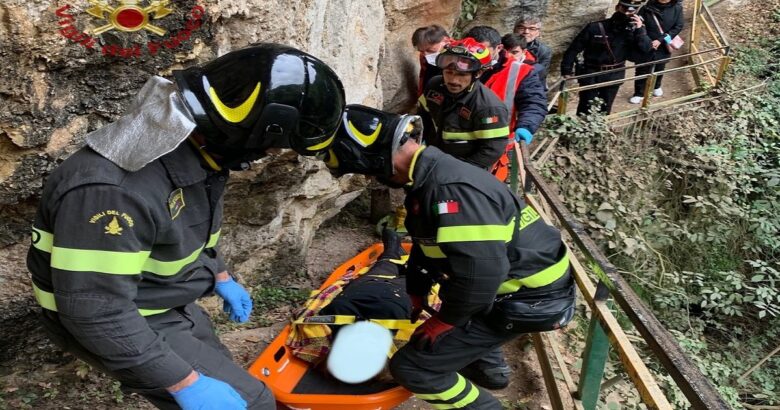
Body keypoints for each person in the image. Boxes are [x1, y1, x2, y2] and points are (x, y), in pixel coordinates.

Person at [26, 43, 346, 410]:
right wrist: (184, 383)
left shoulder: (193, 155)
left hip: (161, 298)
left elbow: (189, 234)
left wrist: (219, 275)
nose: (271, 156)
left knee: (220, 363)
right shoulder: (114, 193)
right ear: (254, 132)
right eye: (275, 147)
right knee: (253, 401)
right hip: (121, 318)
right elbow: (97, 311)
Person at [321, 105, 574, 409]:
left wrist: (446, 320)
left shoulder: (449, 191)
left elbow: (480, 277)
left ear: (372, 160)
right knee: (460, 316)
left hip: (530, 299)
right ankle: (488, 369)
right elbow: (428, 246)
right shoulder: (430, 177)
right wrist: (416, 290)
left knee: (413, 367)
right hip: (518, 288)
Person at [465, 26, 547, 180]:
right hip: (461, 141)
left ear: (498, 48)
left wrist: (526, 126)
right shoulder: (461, 65)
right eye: (473, 50)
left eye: (482, 50)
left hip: (496, 142)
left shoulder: (521, 72)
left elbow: (534, 102)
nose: (476, 55)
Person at [417, 37, 510, 170]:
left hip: (466, 167)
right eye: (449, 72)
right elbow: (423, 117)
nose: (453, 80)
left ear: (478, 73)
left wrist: (461, 172)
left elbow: (492, 149)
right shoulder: (434, 86)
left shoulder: (489, 107)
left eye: (462, 75)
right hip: (435, 157)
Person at [560, 0, 652, 116]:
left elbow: (646, 49)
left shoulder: (635, 30)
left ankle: (600, 132)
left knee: (605, 108)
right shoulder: (596, 27)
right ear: (617, 7)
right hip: (591, 73)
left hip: (614, 74)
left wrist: (640, 29)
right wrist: (566, 70)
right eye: (625, 9)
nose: (628, 13)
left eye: (633, 10)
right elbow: (574, 49)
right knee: (585, 108)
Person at [629, 0, 684, 104]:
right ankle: (639, 93)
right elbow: (639, 24)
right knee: (642, 68)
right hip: (646, 42)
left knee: (660, 66)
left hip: (663, 43)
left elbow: (678, 26)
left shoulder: (677, 8)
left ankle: (656, 86)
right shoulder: (647, 7)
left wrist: (660, 39)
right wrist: (645, 39)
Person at [411, 24, 451, 96]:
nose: (426, 55)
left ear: (446, 41)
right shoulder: (424, 56)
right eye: (422, 51)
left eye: (430, 50)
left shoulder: (460, 57)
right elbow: (423, 77)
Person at [513, 15, 553, 87]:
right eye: (522, 28)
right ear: (514, 29)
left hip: (530, 85)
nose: (526, 32)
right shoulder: (503, 44)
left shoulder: (543, 50)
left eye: (532, 28)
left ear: (538, 32)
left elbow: (540, 74)